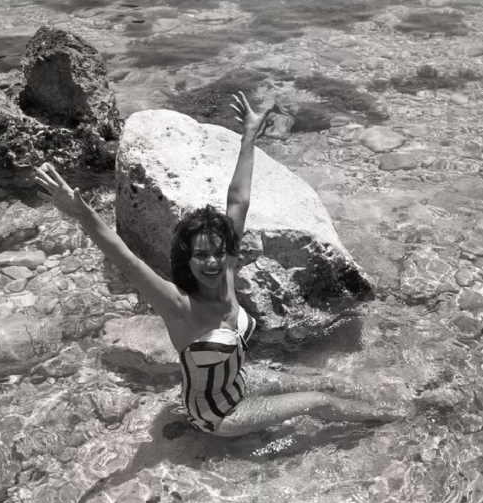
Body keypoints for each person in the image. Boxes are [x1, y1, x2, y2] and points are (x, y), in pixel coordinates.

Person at [35, 92, 394, 437]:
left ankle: (386, 404)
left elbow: (238, 201)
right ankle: (397, 420)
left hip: (239, 384)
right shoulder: (178, 306)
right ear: (187, 259)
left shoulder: (226, 274)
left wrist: (249, 136)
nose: (212, 262)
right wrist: (82, 213)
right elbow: (126, 260)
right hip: (219, 417)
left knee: (323, 381)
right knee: (319, 401)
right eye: (201, 255)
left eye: (218, 253)